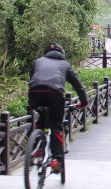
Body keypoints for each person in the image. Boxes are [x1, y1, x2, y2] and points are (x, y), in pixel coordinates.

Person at [28, 43, 88, 173]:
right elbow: (77, 85)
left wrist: (31, 104)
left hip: (34, 93)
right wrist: (83, 101)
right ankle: (56, 159)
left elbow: (32, 78)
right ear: (62, 53)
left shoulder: (37, 61)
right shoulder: (64, 64)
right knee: (56, 126)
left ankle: (35, 147)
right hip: (54, 94)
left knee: (41, 121)